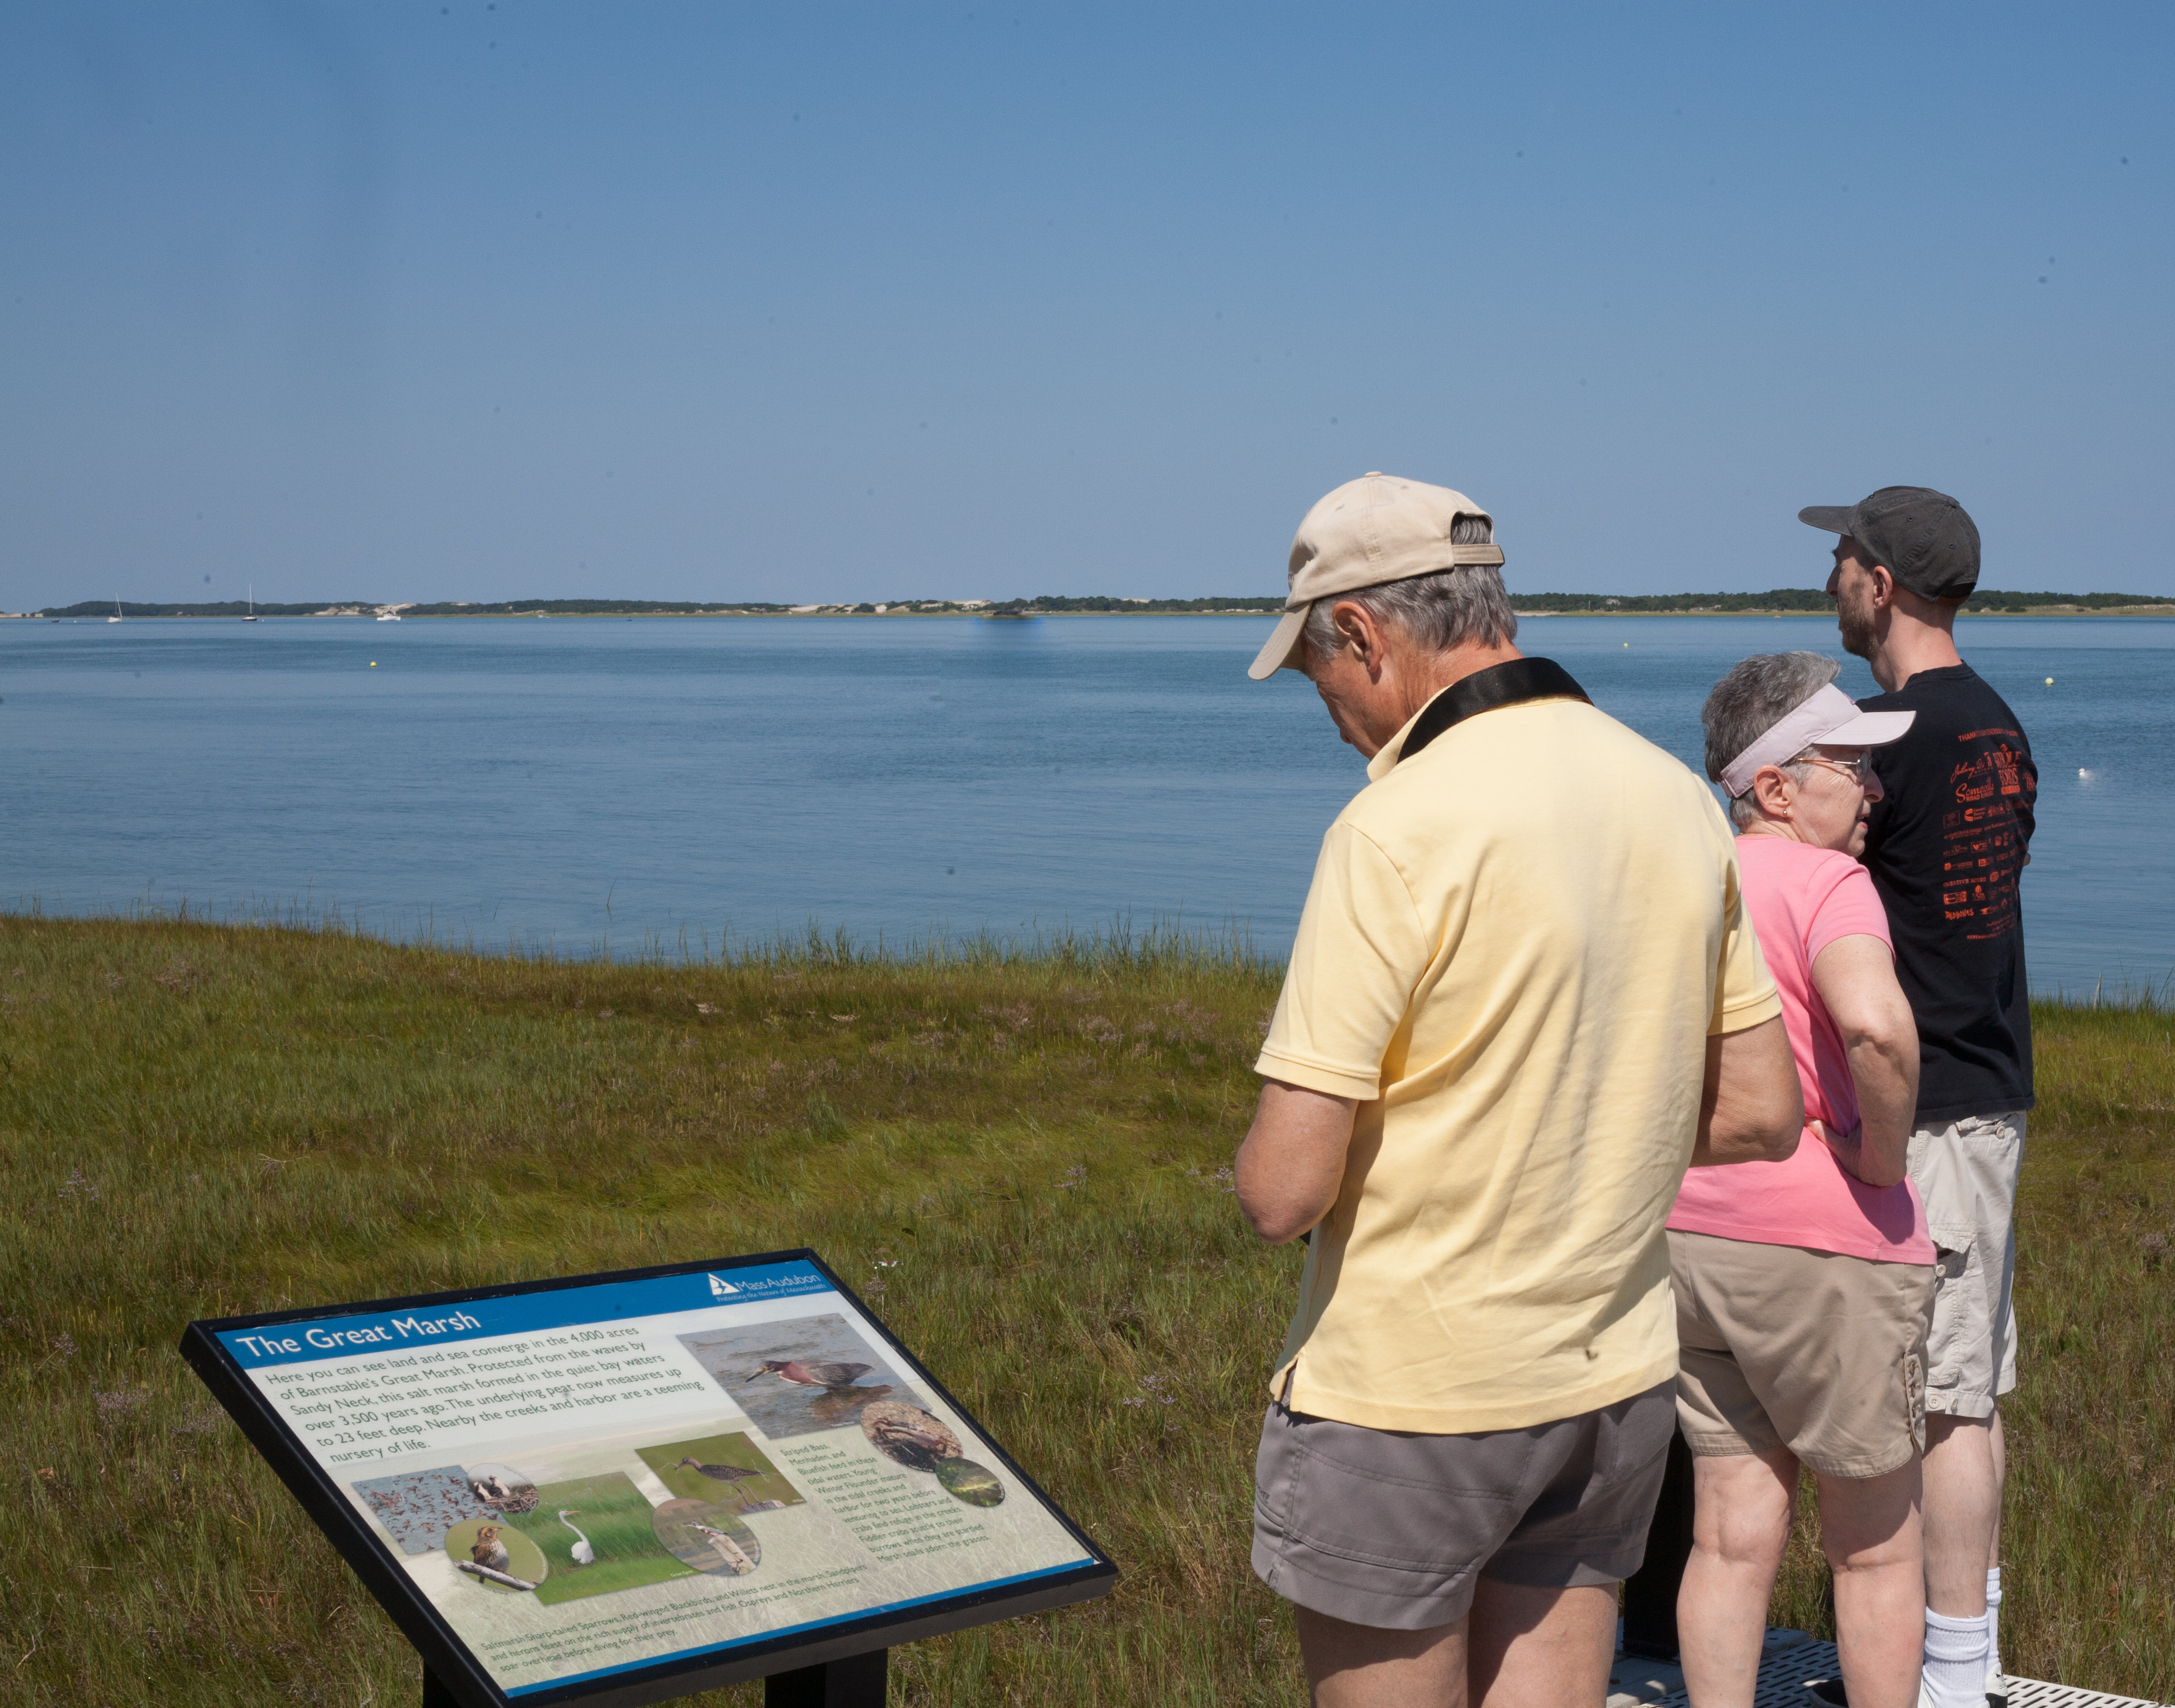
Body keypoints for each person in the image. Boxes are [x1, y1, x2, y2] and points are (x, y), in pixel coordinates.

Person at [1234, 471, 1803, 1708]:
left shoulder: (1394, 828)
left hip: (1411, 1395)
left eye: (1317, 670)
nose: (1326, 708)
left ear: (1363, 636)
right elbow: (1763, 1109)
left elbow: (1282, 1190)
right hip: (1607, 1384)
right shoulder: (1671, 796)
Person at [1803, 487, 2037, 1708]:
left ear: (1882, 583)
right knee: (1972, 1391)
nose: (1832, 571)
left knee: (1937, 1401)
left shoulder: (1886, 733)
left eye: (1843, 555)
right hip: (1990, 1079)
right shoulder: (1995, 719)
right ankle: (1972, 1647)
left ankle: (1947, 1677)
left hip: (1927, 1099)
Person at [1671, 653, 1933, 1708]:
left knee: (1730, 1537)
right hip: (1827, 1248)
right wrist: (1879, 1158)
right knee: (1874, 1550)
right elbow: (1874, 1024)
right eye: (1852, 768)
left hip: (1689, 1238)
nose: (1875, 791)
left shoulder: (1686, 879)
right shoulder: (1833, 883)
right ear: (1774, 787)